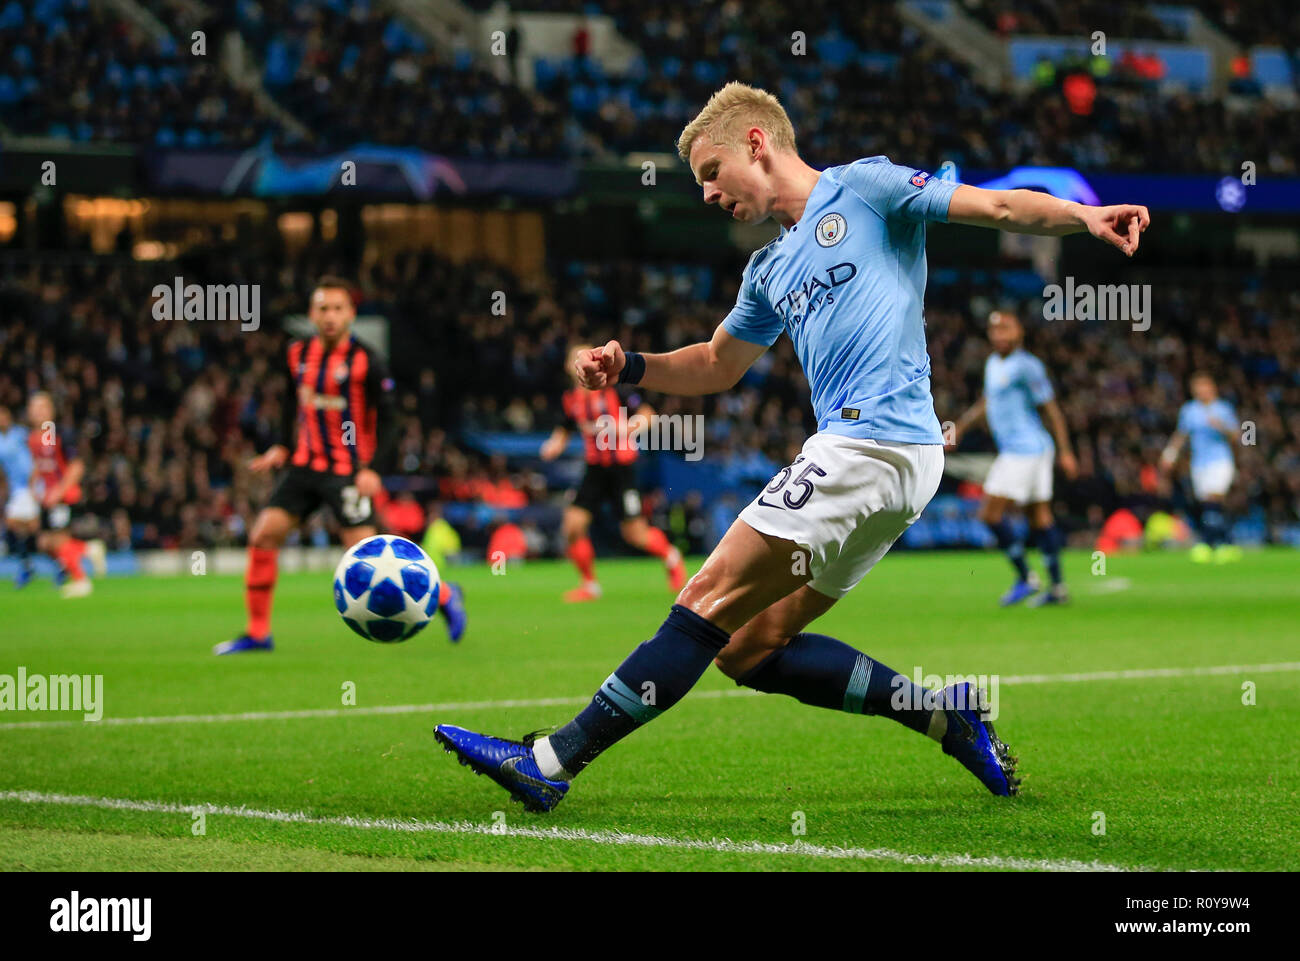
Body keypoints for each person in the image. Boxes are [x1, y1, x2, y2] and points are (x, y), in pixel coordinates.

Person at [435, 81, 1148, 812]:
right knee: (747, 648)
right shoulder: (768, 269)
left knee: (705, 597)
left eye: (711, 174)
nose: (708, 195)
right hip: (892, 465)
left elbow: (997, 206)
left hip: (872, 442)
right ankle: (945, 716)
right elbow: (717, 363)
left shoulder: (865, 189)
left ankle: (550, 760)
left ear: (756, 142)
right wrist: (636, 366)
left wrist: (1084, 216)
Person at [216, 277, 466, 653]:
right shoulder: (296, 354)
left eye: (337, 308)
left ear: (350, 314)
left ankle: (445, 595)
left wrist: (373, 470)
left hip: (346, 471)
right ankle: (258, 633)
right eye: (322, 309)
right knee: (263, 537)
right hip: (303, 467)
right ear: (311, 314)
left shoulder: (366, 360)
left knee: (368, 556)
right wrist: (283, 445)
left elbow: (392, 420)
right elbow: (288, 401)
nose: (329, 316)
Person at [949, 311, 1077, 606]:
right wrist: (958, 429)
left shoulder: (1028, 366)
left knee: (989, 514)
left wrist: (1067, 451)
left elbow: (1052, 410)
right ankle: (1057, 588)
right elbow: (986, 402)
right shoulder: (993, 363)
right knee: (1039, 517)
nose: (999, 335)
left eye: (1006, 328)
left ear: (1019, 332)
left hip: (1026, 449)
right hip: (1024, 451)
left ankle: (1026, 578)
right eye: (994, 330)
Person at [540, 345, 687, 601]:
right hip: (594, 469)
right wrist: (554, 445)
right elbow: (565, 428)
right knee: (573, 526)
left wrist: (627, 428)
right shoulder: (571, 399)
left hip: (622, 467)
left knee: (635, 534)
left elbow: (648, 414)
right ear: (569, 366)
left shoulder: (615, 388)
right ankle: (590, 585)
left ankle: (672, 557)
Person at [25, 392, 105, 597]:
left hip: (64, 495)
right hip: (48, 497)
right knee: (44, 542)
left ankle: (81, 581)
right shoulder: (34, 437)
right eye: (33, 407)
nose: (36, 411)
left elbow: (77, 466)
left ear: (51, 410)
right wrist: (34, 484)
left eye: (41, 407)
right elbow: (41, 465)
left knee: (58, 540)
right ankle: (87, 549)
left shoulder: (58, 434)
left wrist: (58, 491)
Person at [1160, 371, 1240, 563]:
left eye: (1204, 386)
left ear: (1212, 388)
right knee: (1208, 504)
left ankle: (1210, 543)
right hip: (1199, 463)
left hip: (1221, 460)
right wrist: (1169, 455)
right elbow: (1181, 435)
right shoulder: (1189, 410)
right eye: (1197, 387)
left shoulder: (1223, 409)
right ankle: (1224, 543)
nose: (1200, 390)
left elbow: (1240, 436)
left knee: (1214, 497)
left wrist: (1222, 427)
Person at [0, 404, 40, 588]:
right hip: (17, 489)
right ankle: (28, 565)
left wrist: (38, 477)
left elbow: (38, 450)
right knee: (17, 525)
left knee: (31, 527)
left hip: (31, 485)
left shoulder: (20, 433)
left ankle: (31, 565)